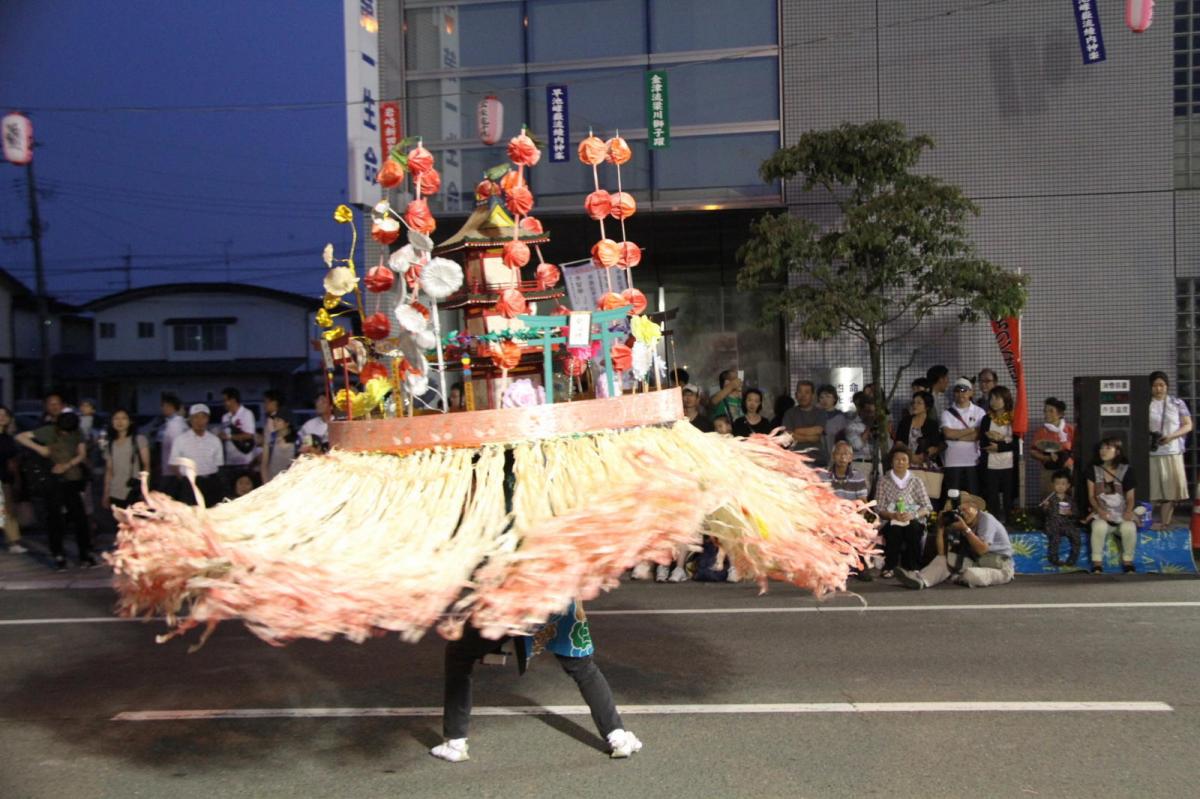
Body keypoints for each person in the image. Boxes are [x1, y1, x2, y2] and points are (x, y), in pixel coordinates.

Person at [431, 601, 641, 763]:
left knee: (459, 654)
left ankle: (455, 742)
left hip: (518, 600)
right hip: (560, 596)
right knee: (583, 667)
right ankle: (618, 737)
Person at [15, 412, 95, 570]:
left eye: (68, 431)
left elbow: (82, 454)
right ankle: (58, 554)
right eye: (62, 430)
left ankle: (84, 554)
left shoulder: (78, 433)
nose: (65, 434)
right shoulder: (49, 430)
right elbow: (20, 437)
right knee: (54, 518)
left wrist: (67, 465)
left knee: (79, 518)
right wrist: (39, 448)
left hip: (72, 479)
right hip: (52, 480)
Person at [896, 491, 1014, 589]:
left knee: (971, 575)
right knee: (944, 561)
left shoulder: (986, 520)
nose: (962, 513)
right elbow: (941, 554)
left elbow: (982, 549)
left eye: (965, 508)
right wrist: (941, 527)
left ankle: (956, 576)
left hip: (999, 566)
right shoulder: (959, 523)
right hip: (976, 562)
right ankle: (920, 580)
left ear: (975, 507)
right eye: (959, 510)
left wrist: (965, 529)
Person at [875, 444, 933, 578]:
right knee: (894, 530)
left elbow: (927, 506)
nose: (900, 462)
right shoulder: (883, 481)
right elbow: (879, 508)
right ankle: (890, 566)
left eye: (904, 459)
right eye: (897, 459)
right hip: (891, 519)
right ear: (891, 462)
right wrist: (892, 515)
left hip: (912, 518)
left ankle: (913, 567)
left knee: (913, 528)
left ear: (909, 463)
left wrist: (913, 515)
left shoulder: (916, 481)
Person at [1087, 437, 1138, 573]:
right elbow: (1091, 496)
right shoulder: (1093, 470)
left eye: (1108, 448)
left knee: (1129, 527)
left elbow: (1130, 497)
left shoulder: (1127, 470)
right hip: (1102, 513)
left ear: (1117, 452)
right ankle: (1097, 563)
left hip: (1121, 513)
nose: (1103, 451)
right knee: (1098, 526)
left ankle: (1128, 562)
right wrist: (1099, 510)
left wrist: (1128, 511)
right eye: (1101, 448)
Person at [1147, 371, 1191, 528]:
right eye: (1155, 385)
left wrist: (1172, 436)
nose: (1158, 389)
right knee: (1152, 490)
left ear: (1167, 386)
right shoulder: (1145, 404)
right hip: (1152, 453)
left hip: (1172, 452)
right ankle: (1148, 522)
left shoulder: (1177, 403)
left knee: (1170, 492)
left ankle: (1165, 523)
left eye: (1161, 385)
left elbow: (1188, 424)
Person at [170, 404, 225, 507]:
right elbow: (174, 464)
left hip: (210, 483)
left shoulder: (215, 440)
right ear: (190, 419)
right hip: (189, 484)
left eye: (203, 417)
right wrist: (184, 481)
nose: (200, 421)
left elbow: (219, 464)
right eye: (196, 417)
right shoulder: (180, 440)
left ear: (207, 419)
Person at [101, 408, 151, 517]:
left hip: (134, 491)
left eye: (124, 418)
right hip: (115, 491)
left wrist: (145, 491)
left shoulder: (139, 439)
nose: (120, 422)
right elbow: (109, 471)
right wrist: (106, 494)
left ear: (130, 421)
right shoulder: (110, 444)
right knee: (120, 527)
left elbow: (146, 466)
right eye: (116, 418)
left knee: (137, 526)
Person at [978, 386, 1017, 524]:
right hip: (991, 464)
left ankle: (1011, 523)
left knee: (1009, 496)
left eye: (997, 398)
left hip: (1009, 463)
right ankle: (993, 523)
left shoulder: (1014, 419)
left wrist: (1000, 447)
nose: (993, 401)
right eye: (991, 398)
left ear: (1005, 400)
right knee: (992, 496)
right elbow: (982, 440)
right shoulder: (986, 419)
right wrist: (990, 444)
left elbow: (1018, 444)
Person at [940, 378, 985, 497]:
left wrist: (956, 436)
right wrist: (970, 429)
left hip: (973, 462)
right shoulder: (947, 413)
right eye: (958, 390)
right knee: (952, 498)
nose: (961, 393)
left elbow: (978, 435)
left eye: (964, 390)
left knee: (973, 497)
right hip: (952, 463)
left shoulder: (980, 412)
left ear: (971, 392)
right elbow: (948, 434)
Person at [1029, 397, 1074, 496]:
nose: (1047, 414)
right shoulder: (1041, 431)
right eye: (1045, 411)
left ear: (1060, 413)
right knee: (1048, 499)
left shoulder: (1070, 429)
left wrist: (1070, 460)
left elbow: (1078, 449)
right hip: (1049, 472)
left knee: (1068, 499)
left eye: (1051, 411)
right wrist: (1046, 458)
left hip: (1068, 471)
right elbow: (1033, 451)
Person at [219, 387, 256, 498]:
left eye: (225, 400)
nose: (224, 403)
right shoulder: (225, 417)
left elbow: (249, 435)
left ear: (233, 400)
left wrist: (229, 437)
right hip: (230, 460)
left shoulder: (246, 414)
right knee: (232, 493)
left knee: (245, 492)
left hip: (245, 461)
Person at [1040, 469, 1081, 568]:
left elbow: (1076, 513)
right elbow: (1043, 513)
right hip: (1053, 524)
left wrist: (1070, 512)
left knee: (1076, 536)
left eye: (1063, 484)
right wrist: (1045, 506)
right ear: (1053, 485)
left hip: (1067, 524)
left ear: (1068, 486)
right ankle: (1054, 559)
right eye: (1057, 483)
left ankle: (1072, 559)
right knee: (1055, 537)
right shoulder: (1049, 498)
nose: (1060, 486)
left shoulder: (1070, 499)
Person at [0, 405, 27, 553]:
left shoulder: (8, 438)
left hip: (5, 478)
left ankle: (13, 542)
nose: (2, 417)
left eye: (5, 415)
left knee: (8, 512)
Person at [782, 380, 827, 466]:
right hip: (794, 459)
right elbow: (789, 435)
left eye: (807, 392)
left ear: (813, 396)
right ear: (795, 395)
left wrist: (797, 431)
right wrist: (811, 438)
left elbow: (818, 430)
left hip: (817, 458)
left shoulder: (820, 412)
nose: (803, 396)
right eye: (800, 392)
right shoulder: (789, 413)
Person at [894, 391, 942, 469]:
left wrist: (923, 456)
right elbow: (899, 442)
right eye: (913, 403)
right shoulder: (905, 421)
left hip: (924, 463)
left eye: (919, 403)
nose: (915, 405)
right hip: (905, 462)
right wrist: (910, 455)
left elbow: (934, 446)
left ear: (927, 406)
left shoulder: (932, 424)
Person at [261, 413, 296, 484]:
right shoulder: (270, 439)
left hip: (291, 483)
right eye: (274, 420)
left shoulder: (297, 440)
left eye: (278, 420)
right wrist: (265, 482)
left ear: (287, 423)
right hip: (272, 482)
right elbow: (264, 464)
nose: (274, 422)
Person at [818, 384, 847, 457]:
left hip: (835, 456)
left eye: (828, 396)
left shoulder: (840, 417)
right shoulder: (815, 415)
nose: (825, 400)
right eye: (821, 397)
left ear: (834, 398)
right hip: (818, 456)